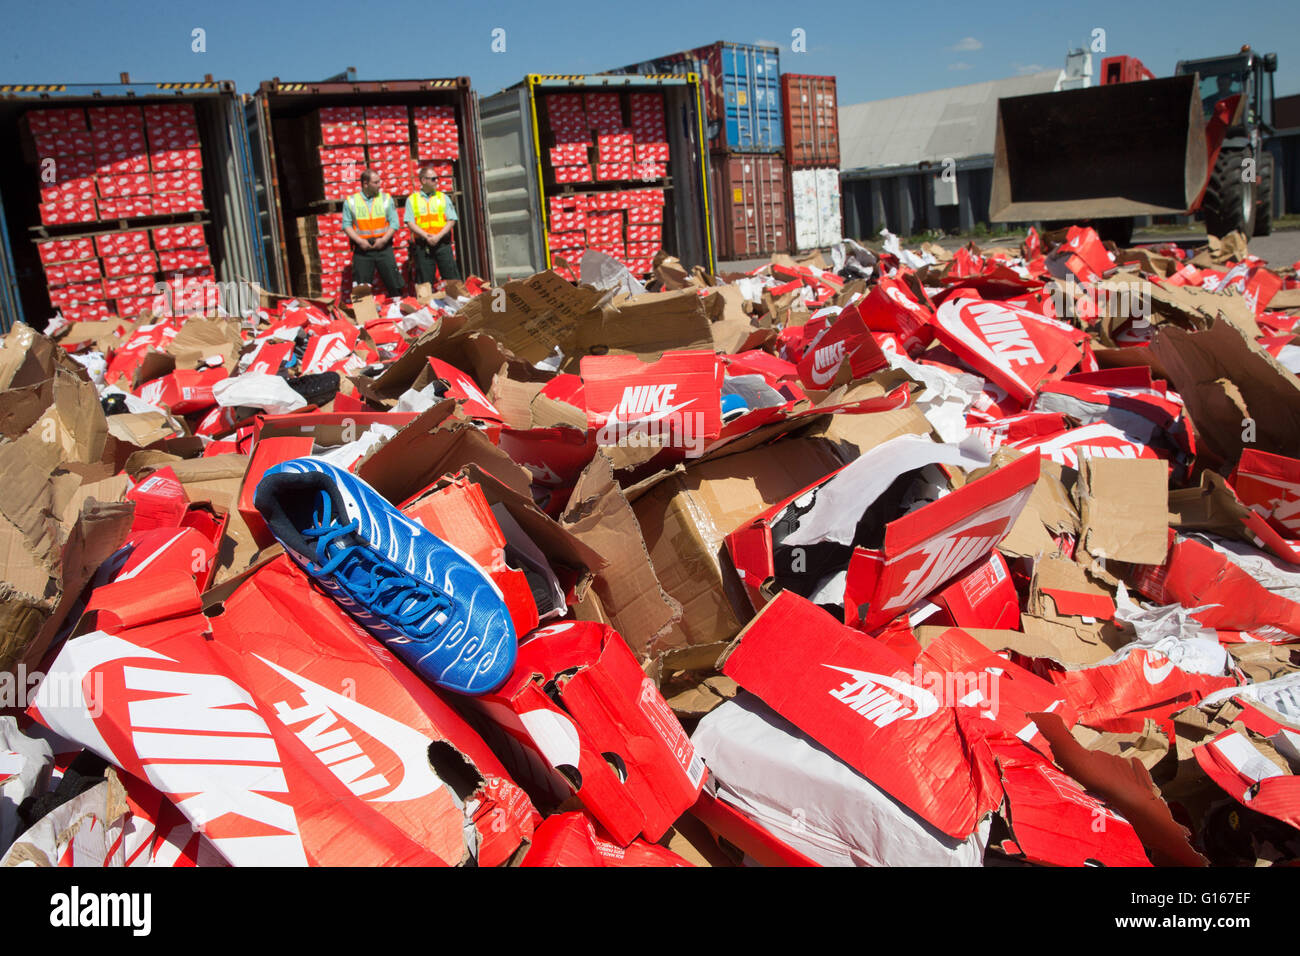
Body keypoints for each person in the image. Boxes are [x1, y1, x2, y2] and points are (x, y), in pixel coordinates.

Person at [342, 168, 402, 296]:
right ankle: (365, 313)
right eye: (375, 182)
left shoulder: (386, 198)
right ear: (365, 184)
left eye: (379, 181)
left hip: (383, 246)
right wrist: (359, 241)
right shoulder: (351, 201)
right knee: (361, 288)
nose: (379, 185)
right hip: (362, 248)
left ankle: (397, 308)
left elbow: (394, 223)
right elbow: (346, 225)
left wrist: (384, 240)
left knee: (394, 282)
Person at [405, 164, 461, 285]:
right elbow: (410, 222)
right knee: (424, 281)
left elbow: (452, 220)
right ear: (423, 180)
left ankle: (457, 302)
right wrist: (426, 236)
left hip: (442, 244)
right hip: (423, 245)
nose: (437, 181)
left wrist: (437, 236)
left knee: (451, 277)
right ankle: (427, 303)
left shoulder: (443, 197)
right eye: (433, 179)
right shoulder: (412, 199)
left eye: (437, 178)